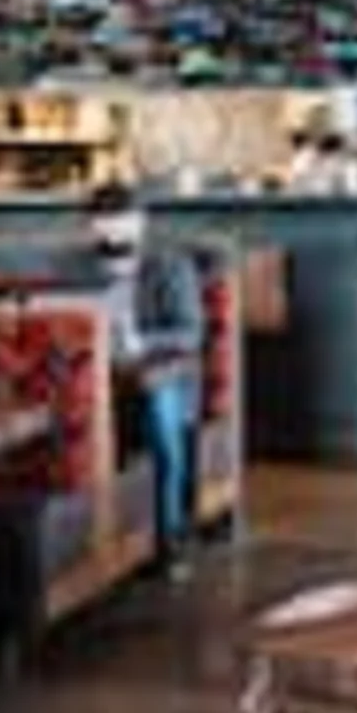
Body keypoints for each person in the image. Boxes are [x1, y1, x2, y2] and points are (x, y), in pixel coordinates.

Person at [88, 181, 209, 568]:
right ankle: (96, 543)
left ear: (140, 223)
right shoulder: (80, 266)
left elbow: (191, 332)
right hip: (97, 370)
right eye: (103, 221)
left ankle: (167, 537)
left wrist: (141, 342)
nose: (111, 229)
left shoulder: (170, 265)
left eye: (120, 220)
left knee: (160, 411)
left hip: (167, 372)